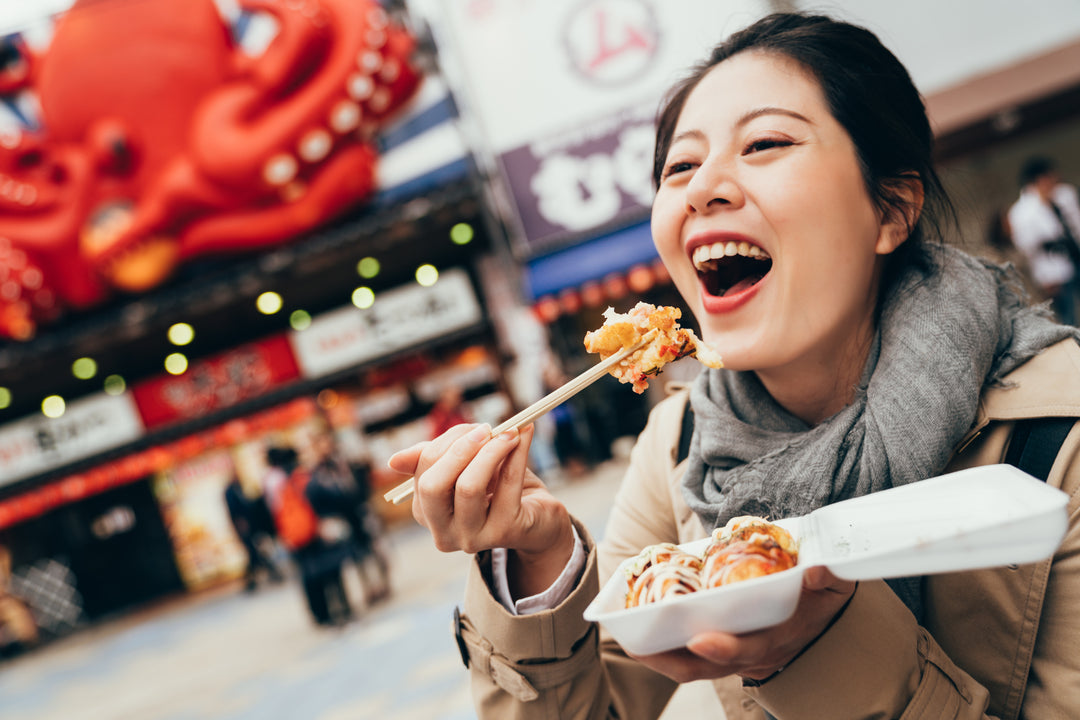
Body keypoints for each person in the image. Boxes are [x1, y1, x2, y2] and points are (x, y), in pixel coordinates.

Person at [388, 12, 1080, 720]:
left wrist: (813, 649)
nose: (701, 189)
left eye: (766, 143)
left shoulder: (1062, 438)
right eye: (679, 166)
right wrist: (539, 560)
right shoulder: (682, 443)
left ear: (891, 210)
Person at [265, 446, 352, 627]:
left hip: (298, 538)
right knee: (333, 574)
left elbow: (274, 512)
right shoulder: (306, 478)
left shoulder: (280, 484)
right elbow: (332, 497)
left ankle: (323, 615)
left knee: (311, 578)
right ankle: (343, 610)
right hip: (319, 534)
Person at [310, 434, 391, 605]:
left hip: (360, 512)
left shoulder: (345, 461)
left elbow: (361, 482)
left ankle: (383, 583)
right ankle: (370, 588)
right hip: (345, 518)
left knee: (376, 550)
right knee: (357, 557)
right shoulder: (320, 472)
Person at [1007, 155, 1080, 326]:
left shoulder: (1065, 194)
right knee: (1069, 316)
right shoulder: (1020, 213)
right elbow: (1027, 248)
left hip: (1076, 255)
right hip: (1055, 271)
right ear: (1039, 180)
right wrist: (1045, 278)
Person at [223, 475, 284, 592]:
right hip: (245, 528)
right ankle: (260, 578)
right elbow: (235, 511)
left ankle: (255, 581)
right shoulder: (231, 492)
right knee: (254, 555)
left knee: (255, 554)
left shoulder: (240, 489)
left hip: (250, 527)